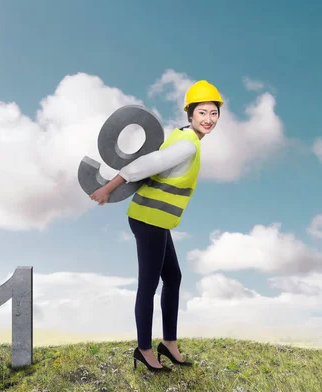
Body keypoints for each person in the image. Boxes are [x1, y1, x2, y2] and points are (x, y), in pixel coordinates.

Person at [90, 80, 223, 372]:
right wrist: (109, 187)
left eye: (213, 113)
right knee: (148, 286)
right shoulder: (187, 145)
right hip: (148, 218)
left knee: (173, 277)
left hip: (157, 220)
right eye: (203, 112)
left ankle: (169, 343)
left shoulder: (183, 136)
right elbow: (147, 164)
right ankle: (145, 349)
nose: (208, 120)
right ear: (190, 113)